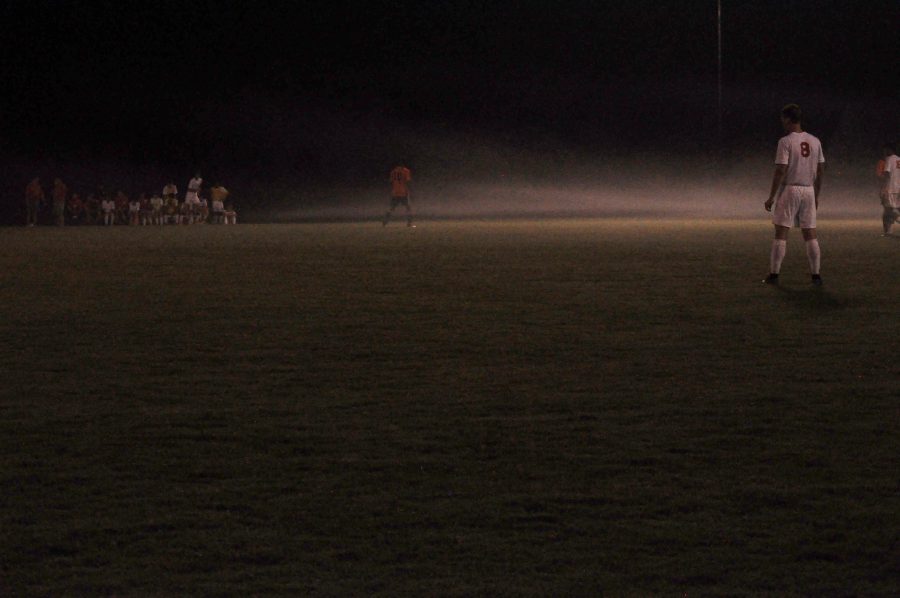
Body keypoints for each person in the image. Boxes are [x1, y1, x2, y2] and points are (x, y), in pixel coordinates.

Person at [763, 104, 825, 286]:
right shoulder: (815, 141)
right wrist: (817, 195)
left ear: (789, 119)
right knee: (810, 233)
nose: (782, 122)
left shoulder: (785, 141)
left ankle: (774, 275)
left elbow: (780, 170)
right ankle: (816, 276)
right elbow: (821, 171)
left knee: (781, 232)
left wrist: (771, 196)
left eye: (783, 118)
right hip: (809, 190)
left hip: (791, 189)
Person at [879, 143, 900, 236]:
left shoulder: (889, 159)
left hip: (891, 188)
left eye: (885, 150)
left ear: (889, 150)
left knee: (888, 209)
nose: (884, 152)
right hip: (899, 188)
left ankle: (889, 231)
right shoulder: (899, 159)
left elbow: (887, 174)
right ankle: (889, 230)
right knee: (897, 208)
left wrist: (884, 188)